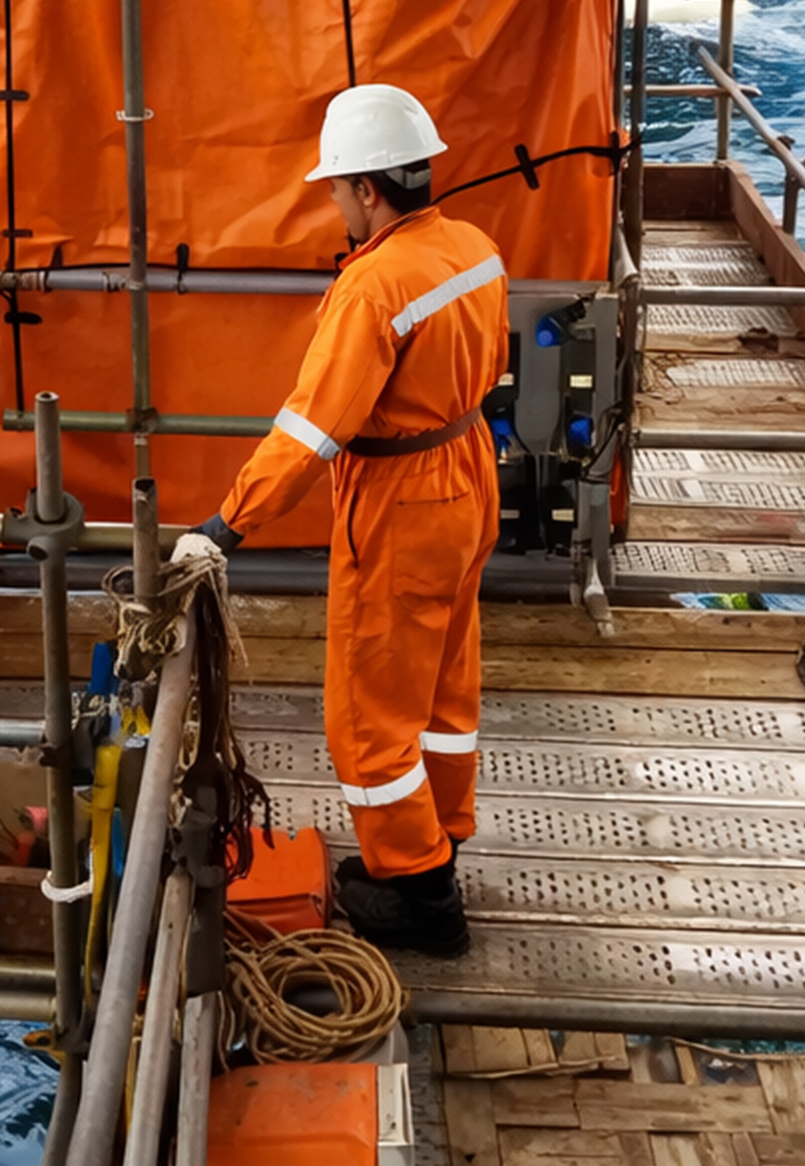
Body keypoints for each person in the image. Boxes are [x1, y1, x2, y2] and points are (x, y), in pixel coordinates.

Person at [181, 85, 506, 957]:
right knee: (443, 682)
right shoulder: (472, 248)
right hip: (468, 472)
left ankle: (418, 891)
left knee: (369, 714)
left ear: (368, 188)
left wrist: (225, 526)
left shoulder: (373, 286)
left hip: (403, 503)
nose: (336, 205)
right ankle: (443, 836)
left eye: (336, 188)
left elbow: (312, 431)